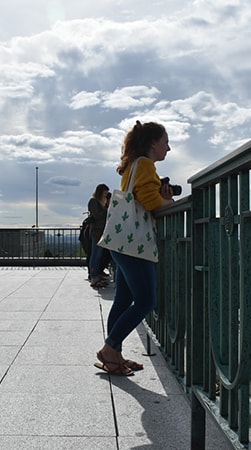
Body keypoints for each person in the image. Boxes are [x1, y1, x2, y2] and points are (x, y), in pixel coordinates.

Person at [95, 120, 175, 376]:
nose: (168, 148)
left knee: (124, 299)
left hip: (123, 243)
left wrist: (159, 194)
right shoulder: (145, 164)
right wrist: (169, 200)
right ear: (153, 143)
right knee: (146, 301)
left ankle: (114, 355)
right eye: (165, 142)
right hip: (134, 245)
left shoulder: (133, 165)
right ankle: (110, 350)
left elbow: (142, 196)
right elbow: (151, 202)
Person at [87, 183, 110, 287]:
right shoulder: (93, 202)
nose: (105, 195)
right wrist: (107, 211)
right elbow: (97, 215)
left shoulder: (101, 203)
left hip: (101, 230)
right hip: (96, 230)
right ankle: (93, 275)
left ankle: (96, 273)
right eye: (104, 193)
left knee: (99, 254)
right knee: (95, 254)